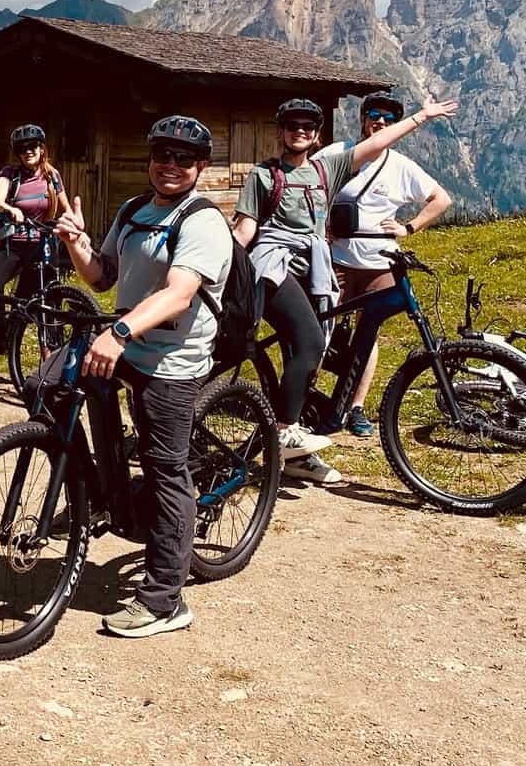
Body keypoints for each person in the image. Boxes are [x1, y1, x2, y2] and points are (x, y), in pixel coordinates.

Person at [54, 115, 232, 637]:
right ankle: (105, 492)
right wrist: (74, 241)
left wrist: (121, 334)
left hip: (174, 359)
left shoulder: (202, 221)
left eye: (183, 158)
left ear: (200, 167)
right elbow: (102, 276)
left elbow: (179, 293)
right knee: (52, 383)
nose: (170, 165)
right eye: (162, 155)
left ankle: (164, 602)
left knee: (164, 469)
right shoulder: (134, 210)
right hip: (131, 341)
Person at [232, 94, 458, 484]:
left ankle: (300, 451)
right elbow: (244, 230)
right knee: (310, 343)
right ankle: (285, 431)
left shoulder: (327, 167)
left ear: (317, 134)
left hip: (316, 268)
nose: (299, 132)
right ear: (280, 132)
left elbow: (378, 145)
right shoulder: (263, 175)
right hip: (275, 265)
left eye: (307, 126)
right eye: (292, 126)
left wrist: (421, 117)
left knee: (309, 346)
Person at [317, 92, 453, 437]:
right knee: (321, 329)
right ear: (362, 118)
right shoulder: (337, 154)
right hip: (337, 259)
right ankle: (307, 398)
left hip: (379, 262)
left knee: (369, 332)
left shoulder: (401, 166)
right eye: (374, 115)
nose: (381, 122)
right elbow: (306, 187)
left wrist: (409, 227)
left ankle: (355, 406)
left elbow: (442, 199)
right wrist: (321, 226)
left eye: (389, 119)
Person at [0, 123, 65, 367]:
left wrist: (73, 224)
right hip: (15, 245)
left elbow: (65, 208)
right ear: (17, 153)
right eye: (22, 148)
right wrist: (11, 209)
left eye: (33, 146)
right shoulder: (10, 174)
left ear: (42, 149)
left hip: (42, 246)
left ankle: (48, 364)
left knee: (45, 302)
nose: (28, 151)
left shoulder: (53, 176)